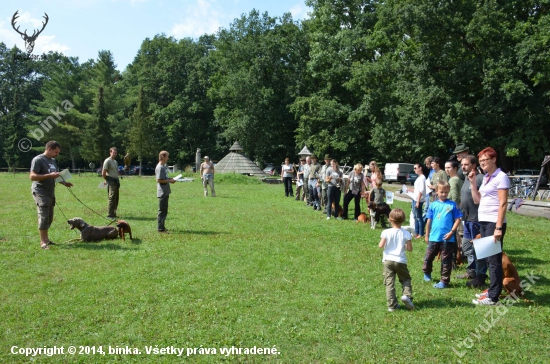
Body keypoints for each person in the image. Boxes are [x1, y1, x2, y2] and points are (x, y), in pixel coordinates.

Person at [470, 147, 510, 305]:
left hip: (494, 222)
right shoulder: (486, 177)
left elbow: (503, 203)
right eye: (480, 161)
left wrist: (498, 227)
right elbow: (477, 200)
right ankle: (492, 289)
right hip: (484, 220)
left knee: (494, 260)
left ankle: (493, 297)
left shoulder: (501, 177)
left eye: (485, 160)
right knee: (488, 258)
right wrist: (473, 183)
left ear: (494, 159)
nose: (482, 163)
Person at [30, 140, 73, 250]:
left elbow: (55, 176)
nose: (57, 154)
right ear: (49, 149)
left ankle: (47, 239)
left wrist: (64, 183)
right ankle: (43, 242)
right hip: (40, 191)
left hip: (50, 192)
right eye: (56, 152)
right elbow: (32, 176)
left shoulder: (53, 161)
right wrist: (49, 175)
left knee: (49, 217)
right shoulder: (38, 160)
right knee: (44, 216)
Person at [423, 180, 463, 289]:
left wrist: (452, 232)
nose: (444, 194)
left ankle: (444, 281)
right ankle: (427, 272)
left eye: (446, 192)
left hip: (447, 238)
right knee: (428, 256)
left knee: (446, 260)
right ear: (436, 191)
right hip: (434, 237)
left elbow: (457, 220)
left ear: (449, 191)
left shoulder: (453, 205)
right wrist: (427, 235)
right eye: (441, 192)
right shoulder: (433, 205)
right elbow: (429, 221)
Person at [378, 208, 414, 312]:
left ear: (390, 219)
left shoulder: (386, 232)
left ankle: (392, 305)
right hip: (400, 261)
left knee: (389, 282)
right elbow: (410, 249)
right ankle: (406, 296)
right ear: (403, 220)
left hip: (388, 260)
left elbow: (381, 245)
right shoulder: (406, 233)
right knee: (405, 279)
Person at [457, 155, 484, 281]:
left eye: (466, 164)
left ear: (474, 165)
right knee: (466, 246)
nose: (463, 167)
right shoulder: (468, 178)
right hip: (467, 220)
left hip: (476, 220)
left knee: (478, 248)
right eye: (462, 164)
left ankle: (479, 274)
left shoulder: (479, 179)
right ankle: (471, 270)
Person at [156, 151, 176, 233]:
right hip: (162, 192)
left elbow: (164, 178)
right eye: (167, 156)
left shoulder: (163, 167)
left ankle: (162, 227)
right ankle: (160, 228)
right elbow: (159, 180)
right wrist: (170, 181)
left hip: (165, 191)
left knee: (164, 210)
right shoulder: (160, 167)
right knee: (162, 210)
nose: (168, 158)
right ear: (163, 156)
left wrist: (170, 179)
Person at [102, 147, 120, 219]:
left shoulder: (115, 162)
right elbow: (103, 173)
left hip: (116, 181)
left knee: (116, 198)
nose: (115, 154)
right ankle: (110, 215)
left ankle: (113, 213)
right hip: (111, 181)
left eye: (116, 152)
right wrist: (107, 180)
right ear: (110, 152)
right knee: (111, 198)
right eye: (113, 152)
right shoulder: (107, 161)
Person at [412, 163, 426, 238]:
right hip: (415, 199)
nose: (414, 170)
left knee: (419, 217)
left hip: (418, 200)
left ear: (420, 168)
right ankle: (416, 232)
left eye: (415, 168)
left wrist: (417, 201)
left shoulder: (422, 178)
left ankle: (420, 233)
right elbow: (416, 190)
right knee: (416, 217)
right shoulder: (419, 177)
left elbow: (421, 190)